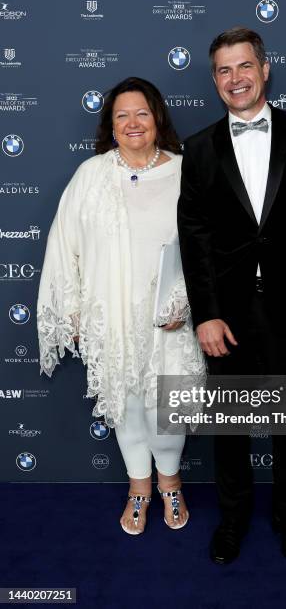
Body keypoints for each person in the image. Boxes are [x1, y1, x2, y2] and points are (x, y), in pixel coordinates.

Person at [178, 27, 286, 564]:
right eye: (224, 70)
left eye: (244, 66)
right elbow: (195, 238)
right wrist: (205, 314)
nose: (236, 79)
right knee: (229, 429)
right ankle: (231, 523)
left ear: (265, 69)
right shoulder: (200, 147)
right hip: (227, 314)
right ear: (214, 80)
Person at [37, 77, 205, 535]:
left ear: (158, 120)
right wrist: (72, 312)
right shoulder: (90, 175)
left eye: (142, 113)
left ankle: (171, 483)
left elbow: (211, 246)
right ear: (111, 126)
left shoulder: (188, 171)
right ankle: (139, 489)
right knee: (127, 406)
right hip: (109, 316)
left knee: (167, 406)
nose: (133, 123)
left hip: (172, 317)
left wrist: (188, 302)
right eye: (121, 115)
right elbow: (63, 246)